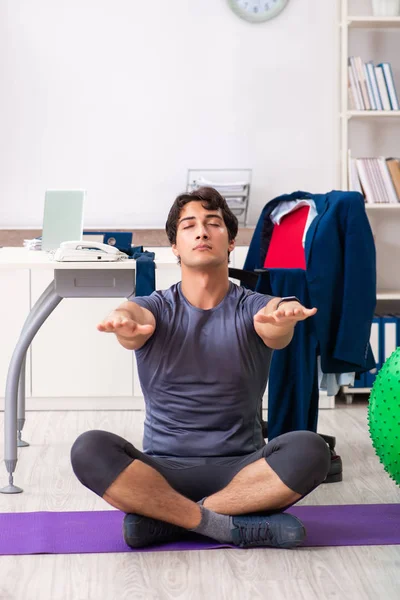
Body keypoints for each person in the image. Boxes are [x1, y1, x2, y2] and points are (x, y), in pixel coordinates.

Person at [71, 187, 330, 549]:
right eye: (189, 225)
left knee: (312, 450)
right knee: (88, 449)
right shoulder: (155, 308)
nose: (202, 232)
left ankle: (168, 520)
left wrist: (283, 316)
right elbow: (133, 317)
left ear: (231, 242)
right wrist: (122, 319)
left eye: (213, 224)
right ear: (175, 246)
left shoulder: (253, 305)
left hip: (244, 470)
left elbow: (274, 320)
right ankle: (228, 525)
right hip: (162, 470)